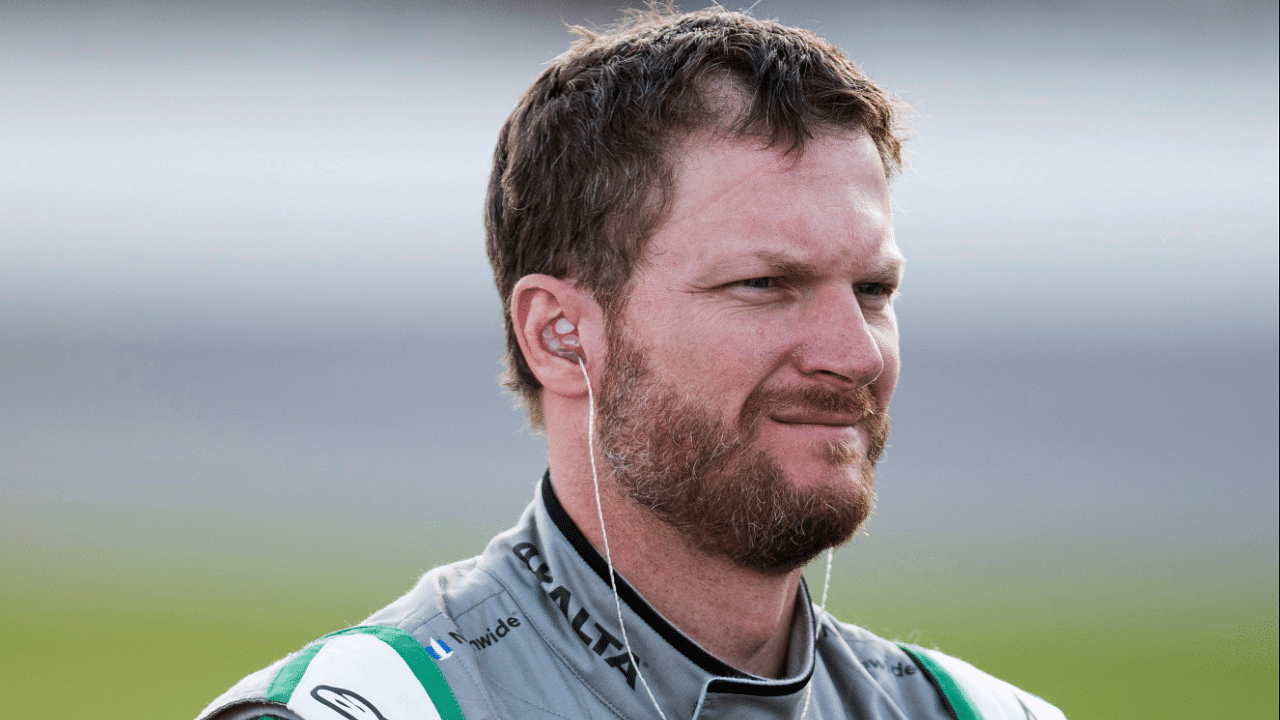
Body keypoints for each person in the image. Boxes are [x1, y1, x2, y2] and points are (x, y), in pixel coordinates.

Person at [197, 7, 1066, 720]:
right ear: (560, 335)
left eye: (874, 289)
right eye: (765, 284)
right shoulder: (377, 709)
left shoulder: (988, 713)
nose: (855, 353)